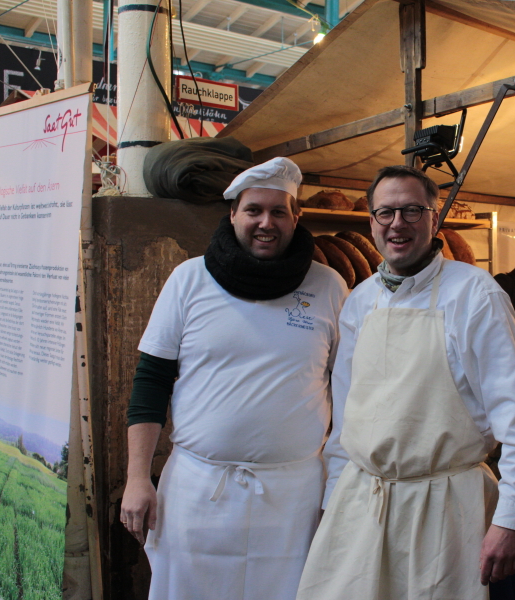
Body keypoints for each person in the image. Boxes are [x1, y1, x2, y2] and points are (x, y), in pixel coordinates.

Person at [296, 165, 515, 600]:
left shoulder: (475, 294)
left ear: (435, 220)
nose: (398, 223)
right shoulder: (361, 302)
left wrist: (510, 519)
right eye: (386, 212)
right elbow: (344, 425)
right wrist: (331, 503)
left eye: (413, 211)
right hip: (362, 503)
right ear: (372, 223)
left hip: (446, 509)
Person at [120, 157, 347, 600]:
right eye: (254, 210)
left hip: (294, 497)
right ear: (232, 214)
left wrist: (335, 492)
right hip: (198, 491)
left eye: (279, 211)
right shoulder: (189, 280)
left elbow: (348, 392)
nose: (266, 222)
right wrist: (136, 477)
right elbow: (150, 383)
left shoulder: (329, 287)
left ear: (296, 217)